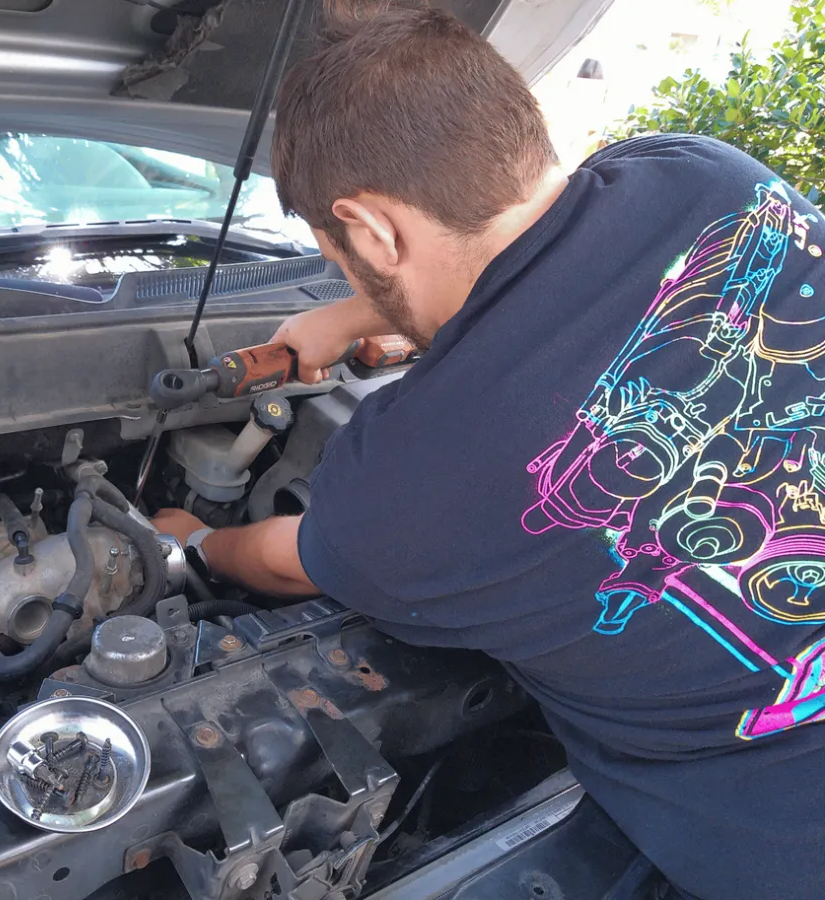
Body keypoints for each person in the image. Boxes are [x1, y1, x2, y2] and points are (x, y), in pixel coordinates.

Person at [152, 6, 824, 900]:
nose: (349, 278)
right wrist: (360, 310)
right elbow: (552, 270)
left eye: (340, 259)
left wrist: (188, 540)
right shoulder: (703, 172)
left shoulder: (414, 482)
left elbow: (282, 563)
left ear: (371, 230)